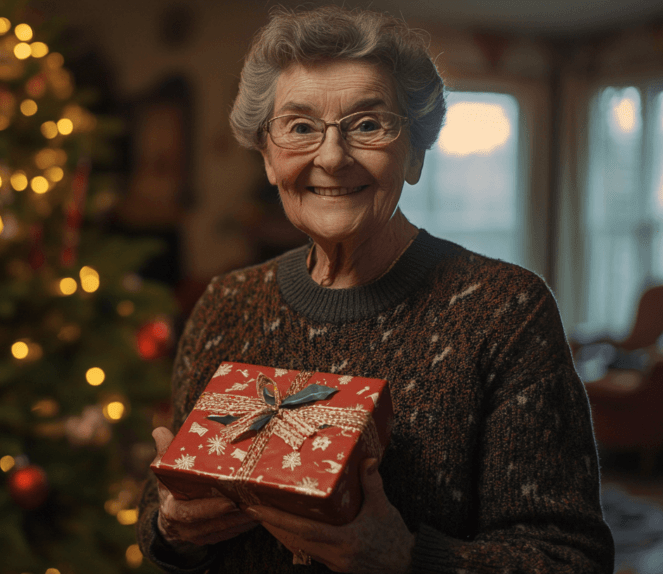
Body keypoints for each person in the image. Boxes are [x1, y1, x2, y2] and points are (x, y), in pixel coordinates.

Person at [135, 5, 615, 573]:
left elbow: (571, 558)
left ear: (413, 152)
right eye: (300, 126)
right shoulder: (224, 303)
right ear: (267, 156)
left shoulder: (506, 310)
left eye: (368, 124)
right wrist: (170, 527)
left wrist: (406, 558)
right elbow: (160, 526)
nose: (332, 157)